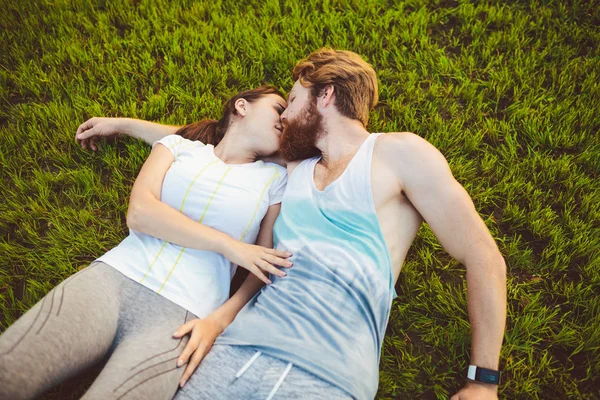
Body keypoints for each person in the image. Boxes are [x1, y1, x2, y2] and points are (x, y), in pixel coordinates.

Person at [75, 49, 507, 400]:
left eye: (294, 101)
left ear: (325, 96)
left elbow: (483, 255)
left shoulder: (400, 154)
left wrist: (482, 382)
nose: (284, 116)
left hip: (328, 378)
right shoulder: (294, 166)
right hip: (229, 354)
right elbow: (214, 139)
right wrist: (123, 126)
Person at [0, 86, 294, 400]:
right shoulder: (178, 147)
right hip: (112, 281)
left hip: (183, 318)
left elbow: (258, 269)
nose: (285, 119)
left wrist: (219, 322)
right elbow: (141, 213)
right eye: (278, 109)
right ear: (242, 107)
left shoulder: (275, 179)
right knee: (9, 373)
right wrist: (231, 246)